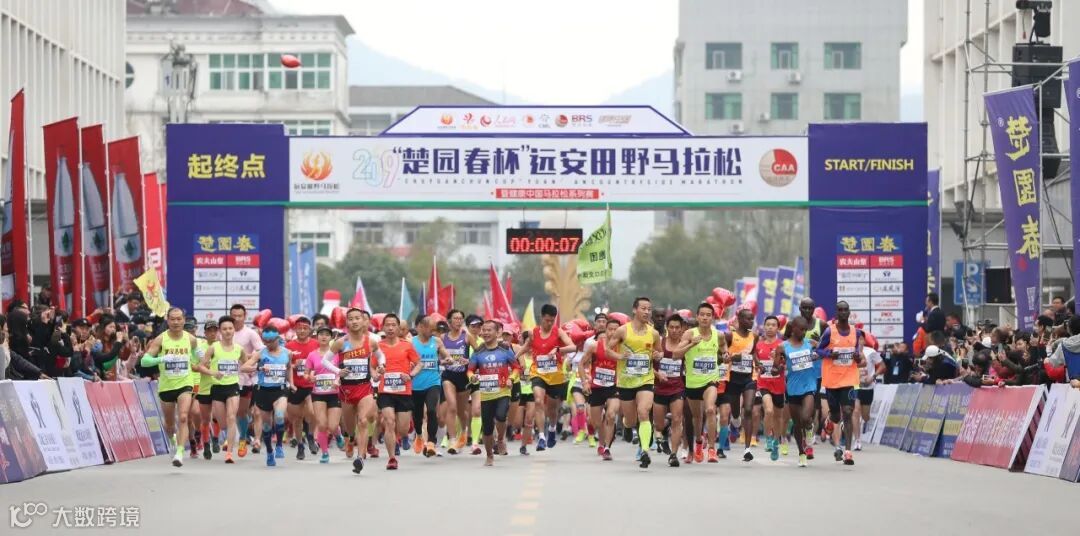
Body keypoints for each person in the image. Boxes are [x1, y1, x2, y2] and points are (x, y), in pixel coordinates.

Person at [140, 307, 200, 467]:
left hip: (185, 383)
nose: (176, 322)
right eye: (172, 319)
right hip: (166, 386)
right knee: (169, 424)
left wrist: (200, 360)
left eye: (179, 319)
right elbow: (144, 361)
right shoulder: (161, 339)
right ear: (168, 321)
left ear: (184, 320)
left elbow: (198, 356)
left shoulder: (191, 339)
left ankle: (180, 452)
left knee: (183, 417)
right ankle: (173, 441)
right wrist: (161, 359)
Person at [607, 297, 663, 469]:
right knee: (631, 420)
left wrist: (658, 355)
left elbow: (660, 352)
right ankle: (626, 425)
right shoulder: (623, 330)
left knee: (644, 411)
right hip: (626, 381)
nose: (647, 312)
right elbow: (608, 349)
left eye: (649, 309)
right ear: (634, 310)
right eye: (643, 308)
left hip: (646, 379)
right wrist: (619, 356)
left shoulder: (653, 333)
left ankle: (645, 450)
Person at [517, 304, 575, 451]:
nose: (549, 323)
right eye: (547, 320)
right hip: (538, 373)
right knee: (538, 400)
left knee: (552, 409)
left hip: (555, 376)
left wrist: (558, 350)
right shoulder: (533, 332)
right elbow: (526, 347)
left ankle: (552, 429)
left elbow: (573, 347)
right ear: (541, 317)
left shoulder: (558, 332)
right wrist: (514, 357)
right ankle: (542, 437)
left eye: (552, 320)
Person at [330, 308, 382, 469]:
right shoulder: (341, 342)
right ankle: (351, 438)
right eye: (351, 318)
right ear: (347, 322)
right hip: (346, 389)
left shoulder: (371, 341)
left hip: (364, 387)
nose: (354, 321)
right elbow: (325, 360)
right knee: (350, 426)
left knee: (363, 420)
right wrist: (337, 372)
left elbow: (381, 356)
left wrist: (382, 366)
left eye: (357, 318)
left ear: (363, 320)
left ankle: (360, 457)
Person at [467, 320, 522, 466]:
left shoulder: (505, 349)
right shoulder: (478, 351)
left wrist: (511, 378)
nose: (485, 333)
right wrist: (472, 377)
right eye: (484, 330)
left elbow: (516, 368)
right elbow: (470, 370)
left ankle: (501, 439)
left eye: (489, 330)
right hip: (486, 394)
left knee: (501, 416)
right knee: (487, 428)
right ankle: (489, 455)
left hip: (503, 391)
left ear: (497, 333)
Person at [816, 301, 864, 466]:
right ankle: (829, 420)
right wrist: (829, 354)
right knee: (836, 416)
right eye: (840, 310)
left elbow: (857, 352)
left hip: (849, 378)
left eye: (845, 310)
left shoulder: (856, 332)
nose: (843, 312)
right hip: (832, 379)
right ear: (836, 313)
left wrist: (857, 356)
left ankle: (848, 452)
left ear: (849, 312)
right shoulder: (830, 331)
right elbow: (818, 350)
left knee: (848, 412)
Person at [677, 303, 725, 464]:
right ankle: (698, 442)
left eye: (708, 315)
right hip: (692, 383)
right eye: (702, 314)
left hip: (711, 380)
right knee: (697, 417)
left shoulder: (718, 335)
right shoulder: (690, 333)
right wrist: (691, 343)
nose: (705, 317)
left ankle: (711, 449)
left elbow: (723, 347)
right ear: (697, 317)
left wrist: (725, 354)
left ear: (713, 317)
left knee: (710, 410)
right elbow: (676, 354)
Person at [240, 323, 292, 467]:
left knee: (280, 415)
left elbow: (289, 368)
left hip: (280, 390)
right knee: (267, 425)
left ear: (278, 338)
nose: (268, 344)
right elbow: (244, 367)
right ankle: (269, 451)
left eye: (271, 341)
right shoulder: (260, 353)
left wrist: (291, 383)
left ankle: (279, 445)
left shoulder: (287, 353)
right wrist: (259, 367)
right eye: (265, 341)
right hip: (263, 391)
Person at [374, 314, 422, 470]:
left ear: (398, 328)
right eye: (387, 325)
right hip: (385, 390)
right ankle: (392, 458)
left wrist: (411, 375)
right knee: (389, 422)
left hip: (403, 391)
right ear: (383, 327)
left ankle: (403, 433)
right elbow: (372, 367)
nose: (390, 328)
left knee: (402, 429)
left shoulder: (406, 345)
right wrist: (375, 375)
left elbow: (419, 363)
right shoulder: (378, 346)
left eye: (393, 325)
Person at [197, 317, 245, 464]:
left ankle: (229, 453)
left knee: (231, 417)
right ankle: (230, 436)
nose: (228, 331)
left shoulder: (239, 349)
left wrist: (256, 368)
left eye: (230, 328)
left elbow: (246, 363)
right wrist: (213, 373)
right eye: (224, 329)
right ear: (220, 331)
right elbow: (201, 366)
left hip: (233, 387)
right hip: (217, 388)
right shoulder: (214, 348)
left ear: (234, 330)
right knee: (223, 424)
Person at [774, 316, 817, 468]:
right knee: (797, 424)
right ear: (793, 329)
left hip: (809, 386)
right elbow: (775, 368)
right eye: (802, 329)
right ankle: (801, 453)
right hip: (792, 389)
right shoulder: (782, 347)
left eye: (806, 330)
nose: (804, 332)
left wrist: (819, 354)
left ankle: (810, 429)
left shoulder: (810, 343)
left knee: (806, 418)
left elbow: (824, 352)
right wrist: (778, 368)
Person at [579, 317, 621, 461]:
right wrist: (584, 382)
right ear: (606, 330)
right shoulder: (595, 346)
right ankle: (603, 441)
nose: (613, 332)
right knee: (596, 422)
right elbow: (581, 364)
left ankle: (607, 448)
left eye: (616, 330)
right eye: (610, 329)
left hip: (614, 387)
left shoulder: (622, 347)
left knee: (611, 415)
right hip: (596, 387)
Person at [411, 315, 451, 457]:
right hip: (415, 384)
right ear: (421, 327)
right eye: (431, 329)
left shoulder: (437, 341)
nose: (433, 332)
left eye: (435, 329)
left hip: (433, 382)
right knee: (417, 415)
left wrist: (448, 359)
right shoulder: (411, 342)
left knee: (432, 410)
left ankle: (431, 442)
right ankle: (419, 435)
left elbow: (445, 354)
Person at [306, 326, 346, 464]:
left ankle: (338, 436)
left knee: (333, 425)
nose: (323, 337)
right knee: (322, 424)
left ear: (331, 338)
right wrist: (310, 377)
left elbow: (343, 371)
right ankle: (324, 452)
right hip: (318, 393)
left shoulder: (336, 354)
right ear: (316, 337)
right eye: (321, 334)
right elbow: (306, 373)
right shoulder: (312, 355)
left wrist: (337, 380)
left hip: (334, 393)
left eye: (326, 335)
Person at [229, 304, 265, 457]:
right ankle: (235, 437)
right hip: (228, 378)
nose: (237, 319)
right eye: (234, 316)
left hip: (247, 378)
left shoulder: (250, 334)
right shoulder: (224, 332)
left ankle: (246, 439)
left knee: (244, 412)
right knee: (233, 412)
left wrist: (246, 357)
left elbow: (262, 352)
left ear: (245, 316)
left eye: (240, 316)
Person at [724, 308, 759, 462]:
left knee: (749, 409)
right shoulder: (730, 336)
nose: (750, 322)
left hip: (749, 377)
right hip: (733, 377)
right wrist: (732, 357)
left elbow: (753, 353)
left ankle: (747, 449)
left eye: (752, 319)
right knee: (735, 412)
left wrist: (758, 364)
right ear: (739, 319)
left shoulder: (754, 336)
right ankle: (735, 420)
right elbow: (723, 355)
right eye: (747, 319)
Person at [653, 313, 687, 466]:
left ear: (681, 329)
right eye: (671, 327)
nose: (674, 330)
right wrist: (657, 374)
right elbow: (647, 364)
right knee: (659, 425)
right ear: (667, 328)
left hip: (677, 388)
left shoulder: (684, 345)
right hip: (659, 388)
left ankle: (673, 455)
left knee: (677, 419)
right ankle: (664, 430)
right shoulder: (659, 343)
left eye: (677, 328)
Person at [440, 309, 475, 454]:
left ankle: (464, 432)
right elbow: (437, 356)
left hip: (463, 377)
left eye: (461, 318)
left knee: (461, 411)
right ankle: (452, 440)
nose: (458, 321)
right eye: (455, 318)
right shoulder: (442, 338)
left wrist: (469, 361)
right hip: (448, 376)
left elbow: (479, 354)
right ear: (449, 321)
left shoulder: (467, 337)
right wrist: (442, 361)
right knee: (452, 406)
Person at [285, 316, 318, 460]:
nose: (302, 331)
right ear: (295, 329)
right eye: (299, 328)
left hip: (311, 384)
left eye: (305, 328)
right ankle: (300, 445)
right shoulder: (289, 346)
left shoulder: (316, 344)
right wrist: (294, 365)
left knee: (312, 412)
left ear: (310, 329)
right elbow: (284, 367)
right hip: (295, 386)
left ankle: (310, 436)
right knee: (297, 419)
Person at [754, 315, 785, 461]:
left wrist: (779, 364)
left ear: (778, 328)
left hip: (778, 385)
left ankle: (776, 443)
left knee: (778, 417)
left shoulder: (782, 345)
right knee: (768, 410)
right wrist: (758, 366)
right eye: (768, 325)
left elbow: (786, 364)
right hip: (763, 384)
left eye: (773, 325)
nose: (770, 327)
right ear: (764, 326)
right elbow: (755, 361)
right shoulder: (758, 345)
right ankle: (768, 438)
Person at [194, 320, 219, 460]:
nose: (213, 333)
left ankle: (215, 439)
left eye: (215, 330)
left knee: (217, 416)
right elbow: (195, 366)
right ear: (205, 333)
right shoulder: (200, 347)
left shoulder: (223, 346)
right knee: (205, 419)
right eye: (210, 331)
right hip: (204, 386)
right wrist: (203, 366)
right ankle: (206, 444)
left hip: (219, 385)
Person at [853, 341, 884, 451]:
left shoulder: (871, 352)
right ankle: (857, 440)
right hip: (854, 386)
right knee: (856, 411)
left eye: (861, 338)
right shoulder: (850, 351)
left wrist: (873, 377)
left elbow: (882, 366)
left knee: (865, 416)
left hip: (868, 387)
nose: (859, 341)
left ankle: (862, 423)